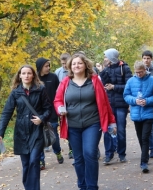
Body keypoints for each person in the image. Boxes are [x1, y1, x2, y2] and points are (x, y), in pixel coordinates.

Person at [54, 53, 116, 190]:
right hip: (73, 125)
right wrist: (60, 109)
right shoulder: (65, 82)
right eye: (74, 63)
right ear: (70, 66)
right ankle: (82, 185)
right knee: (78, 157)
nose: (76, 66)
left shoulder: (94, 80)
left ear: (85, 65)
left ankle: (92, 186)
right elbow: (57, 100)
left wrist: (112, 122)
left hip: (92, 123)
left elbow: (105, 102)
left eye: (79, 63)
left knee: (89, 153)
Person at [0, 65, 52, 190]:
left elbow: (49, 109)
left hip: (36, 131)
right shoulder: (16, 92)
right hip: (21, 132)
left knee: (34, 162)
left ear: (33, 75)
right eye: (24, 73)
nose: (26, 76)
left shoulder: (40, 89)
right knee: (26, 164)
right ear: (20, 76)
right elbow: (6, 113)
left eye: (29, 73)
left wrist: (41, 118)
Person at [123, 61, 153, 173]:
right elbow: (126, 96)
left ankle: (143, 162)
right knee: (140, 137)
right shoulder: (131, 81)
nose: (139, 74)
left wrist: (147, 101)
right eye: (137, 72)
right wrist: (135, 101)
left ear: (145, 70)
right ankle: (145, 155)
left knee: (145, 137)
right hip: (136, 114)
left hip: (149, 113)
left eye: (140, 72)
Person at [98, 48, 133, 165]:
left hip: (121, 104)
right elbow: (105, 84)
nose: (104, 59)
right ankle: (109, 154)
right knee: (107, 130)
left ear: (112, 57)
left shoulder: (125, 68)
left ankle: (122, 154)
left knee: (121, 130)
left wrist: (114, 87)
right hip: (109, 104)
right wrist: (102, 72)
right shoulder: (106, 69)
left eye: (106, 57)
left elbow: (129, 86)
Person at [36, 58, 64, 170]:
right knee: (39, 137)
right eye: (46, 66)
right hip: (38, 112)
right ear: (40, 67)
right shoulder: (35, 79)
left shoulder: (53, 77)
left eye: (49, 65)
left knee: (54, 136)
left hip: (52, 111)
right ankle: (41, 160)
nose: (48, 68)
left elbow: (59, 93)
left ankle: (57, 151)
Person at [55, 52, 74, 159]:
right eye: (62, 63)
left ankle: (73, 148)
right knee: (65, 125)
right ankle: (70, 146)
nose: (64, 65)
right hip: (62, 103)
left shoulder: (75, 70)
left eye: (65, 63)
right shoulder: (58, 72)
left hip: (73, 102)